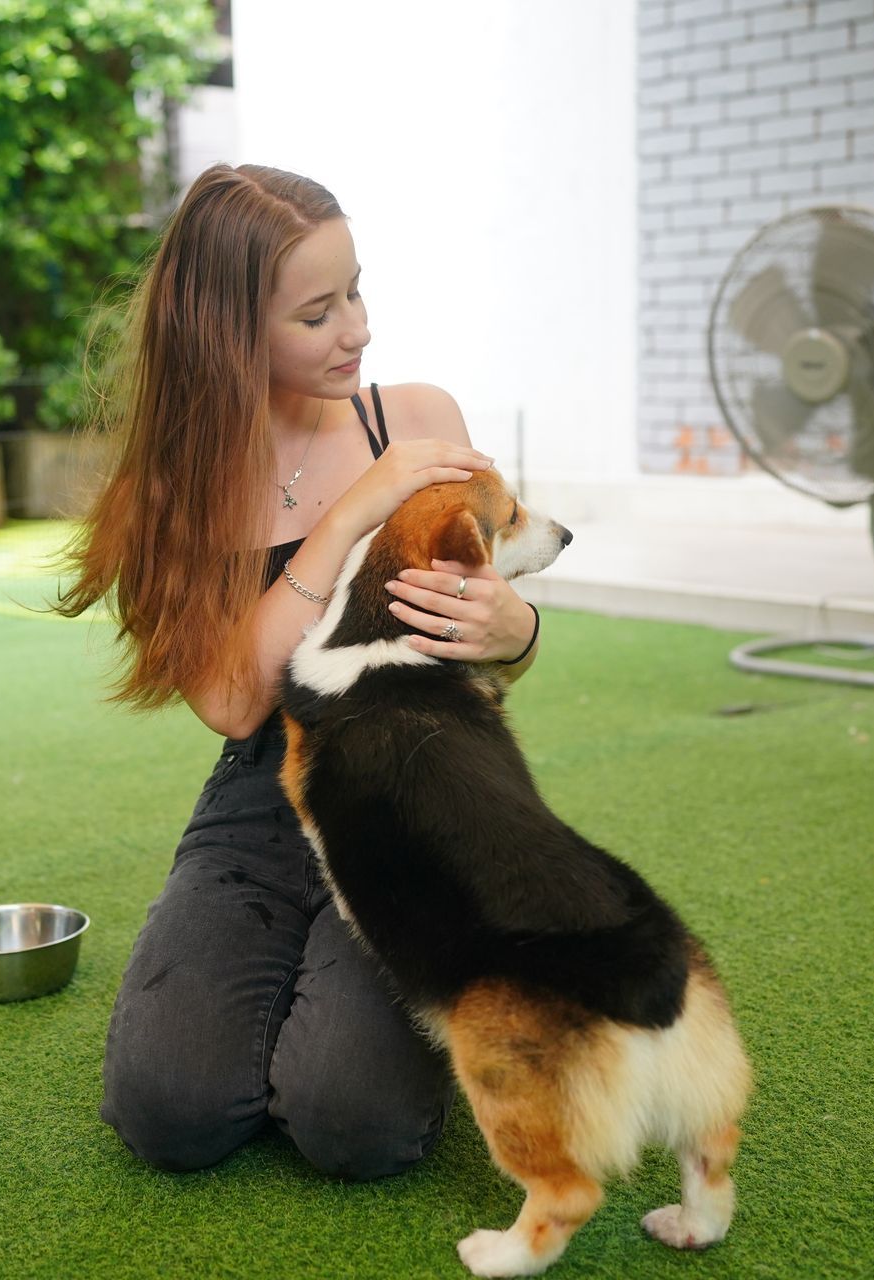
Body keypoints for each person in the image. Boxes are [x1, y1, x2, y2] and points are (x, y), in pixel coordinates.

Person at [55, 163, 543, 1180]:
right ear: (228, 334)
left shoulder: (416, 419)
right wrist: (353, 512)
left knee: (353, 1123)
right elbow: (233, 703)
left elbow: (481, 637)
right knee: (168, 1112)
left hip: (419, 796)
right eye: (317, 314)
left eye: (356, 291)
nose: (357, 329)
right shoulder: (172, 488)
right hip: (260, 798)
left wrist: (517, 630)